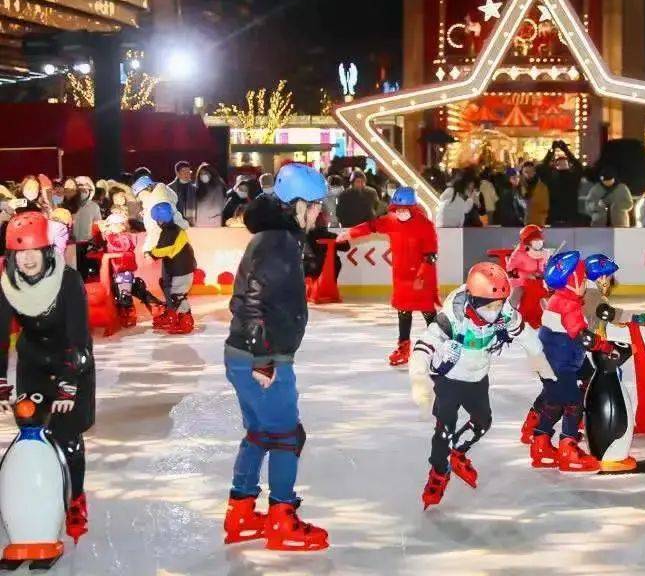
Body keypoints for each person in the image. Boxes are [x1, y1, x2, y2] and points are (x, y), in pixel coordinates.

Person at [223, 162, 329, 551]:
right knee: (286, 436)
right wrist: (264, 358)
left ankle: (241, 511)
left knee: (259, 433)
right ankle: (282, 518)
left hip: (245, 354)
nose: (319, 212)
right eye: (315, 205)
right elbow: (250, 302)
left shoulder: (276, 238)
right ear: (297, 204)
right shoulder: (278, 242)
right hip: (261, 357)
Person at [409, 262, 551, 509]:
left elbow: (525, 333)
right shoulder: (452, 318)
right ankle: (439, 472)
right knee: (444, 430)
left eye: (500, 304)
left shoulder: (504, 311)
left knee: (483, 422)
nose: (496, 311)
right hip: (449, 381)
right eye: (491, 306)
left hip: (477, 379)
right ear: (473, 301)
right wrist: (419, 379)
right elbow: (424, 345)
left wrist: (539, 358)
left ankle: (459, 452)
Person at [0, 211, 96, 541]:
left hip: (71, 359)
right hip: (33, 362)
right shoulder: (7, 284)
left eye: (33, 250)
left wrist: (69, 385)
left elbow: (79, 335)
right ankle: (39, 497)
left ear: (46, 250)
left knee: (68, 437)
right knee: (34, 433)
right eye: (20, 252)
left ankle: (76, 499)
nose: (27, 259)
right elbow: (0, 335)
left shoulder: (67, 280)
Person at [529, 251, 618, 472]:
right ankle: (568, 448)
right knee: (573, 403)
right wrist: (605, 346)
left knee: (555, 401)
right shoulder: (568, 304)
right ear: (573, 281)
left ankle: (540, 444)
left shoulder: (560, 298)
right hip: (560, 363)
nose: (585, 283)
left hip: (555, 361)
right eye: (581, 278)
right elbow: (582, 336)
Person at [339, 187, 439, 366]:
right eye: (397, 209)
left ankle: (438, 345)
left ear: (413, 208)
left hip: (421, 277)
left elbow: (431, 254)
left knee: (428, 312)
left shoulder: (425, 225)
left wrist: (422, 273)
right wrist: (351, 233)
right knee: (403, 312)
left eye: (404, 209)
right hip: (401, 277)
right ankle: (403, 347)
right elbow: (371, 226)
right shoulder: (391, 221)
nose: (400, 212)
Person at [147, 202, 197, 334]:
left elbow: (163, 249)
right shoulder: (174, 229)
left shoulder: (170, 231)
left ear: (160, 220)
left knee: (178, 296)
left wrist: (151, 253)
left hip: (182, 270)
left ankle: (185, 321)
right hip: (180, 268)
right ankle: (175, 316)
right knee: (172, 291)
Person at [505, 224, 551, 329]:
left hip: (535, 284)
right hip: (520, 283)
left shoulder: (540, 254)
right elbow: (511, 271)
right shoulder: (519, 253)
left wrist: (542, 271)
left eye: (540, 240)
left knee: (542, 300)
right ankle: (508, 319)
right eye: (535, 240)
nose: (539, 242)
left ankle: (545, 319)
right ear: (528, 241)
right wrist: (527, 275)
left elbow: (541, 269)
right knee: (516, 297)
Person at [542, 141, 583, 226]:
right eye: (559, 162)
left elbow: (579, 167)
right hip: (555, 216)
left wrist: (565, 150)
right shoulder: (552, 177)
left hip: (569, 216)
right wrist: (552, 151)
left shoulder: (572, 177)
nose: (562, 163)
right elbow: (542, 168)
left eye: (564, 161)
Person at [193, 163, 227, 228]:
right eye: (201, 174)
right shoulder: (196, 189)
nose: (203, 175)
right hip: (199, 222)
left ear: (211, 174)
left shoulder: (219, 187)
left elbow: (220, 206)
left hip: (214, 221)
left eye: (205, 173)